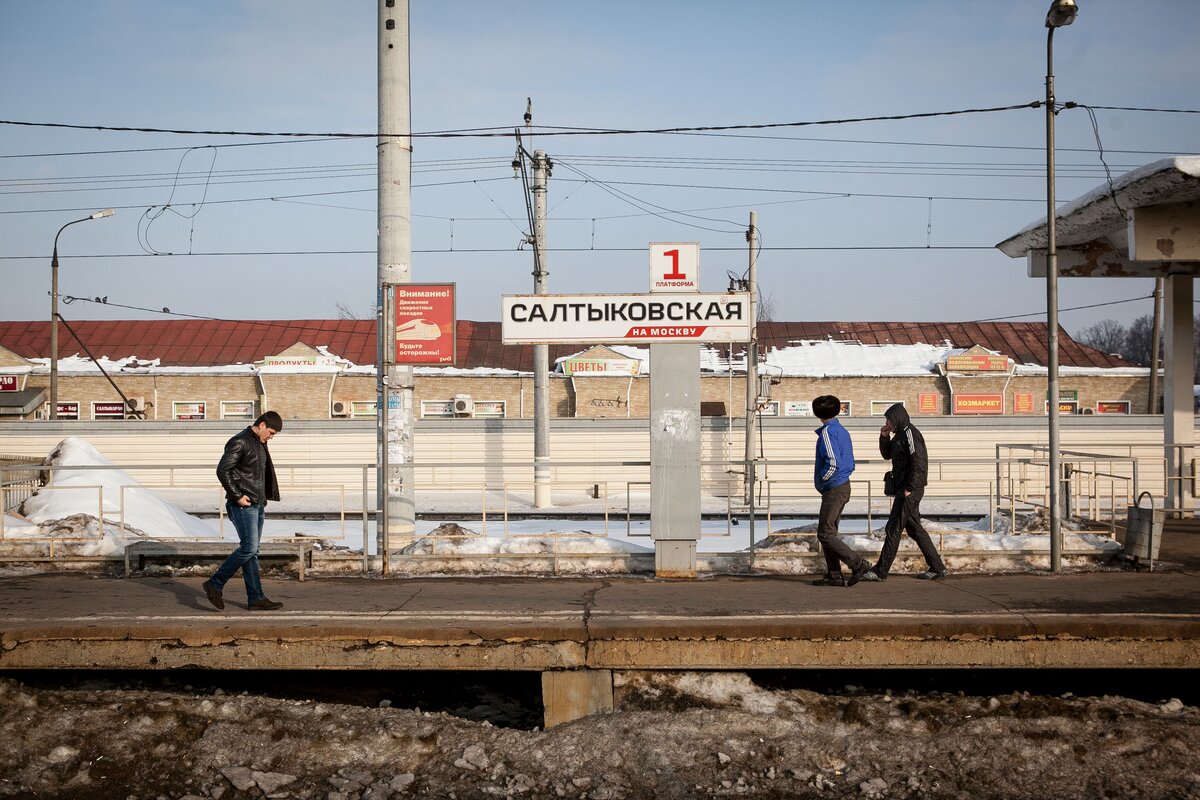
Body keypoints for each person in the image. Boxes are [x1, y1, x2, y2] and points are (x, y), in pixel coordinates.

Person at [202, 411, 285, 611]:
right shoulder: (240, 441)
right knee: (249, 548)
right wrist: (237, 495)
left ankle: (256, 597)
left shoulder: (259, 444)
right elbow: (223, 470)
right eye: (271, 432)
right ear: (262, 425)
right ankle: (215, 583)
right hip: (242, 504)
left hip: (257, 504)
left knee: (252, 551)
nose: (271, 437)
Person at [810, 395, 880, 587]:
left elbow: (833, 463)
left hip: (834, 487)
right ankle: (833, 575)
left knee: (825, 534)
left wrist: (823, 479)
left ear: (816, 413)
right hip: (842, 485)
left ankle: (859, 565)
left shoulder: (828, 432)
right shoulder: (842, 431)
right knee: (829, 533)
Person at [873, 402, 947, 581]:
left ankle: (880, 571)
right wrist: (884, 436)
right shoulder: (898, 435)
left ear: (896, 419)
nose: (887, 423)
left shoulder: (910, 434)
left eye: (888, 420)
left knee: (893, 528)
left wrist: (909, 487)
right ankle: (937, 567)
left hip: (909, 490)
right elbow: (887, 455)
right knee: (914, 529)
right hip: (904, 488)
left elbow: (919, 464)